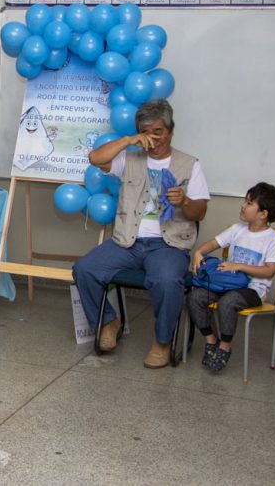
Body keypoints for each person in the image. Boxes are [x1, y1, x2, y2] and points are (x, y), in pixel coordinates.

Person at [73, 99, 210, 368]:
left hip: (168, 245)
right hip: (127, 242)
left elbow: (200, 213)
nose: (153, 139)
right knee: (84, 269)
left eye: (158, 131)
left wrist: (184, 202)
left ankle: (162, 341)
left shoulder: (190, 164)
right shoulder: (128, 158)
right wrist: (128, 140)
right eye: (147, 132)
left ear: (171, 131)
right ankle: (109, 322)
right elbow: (95, 158)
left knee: (167, 279)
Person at [186, 182, 275, 372]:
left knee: (228, 302)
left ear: (263, 214)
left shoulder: (273, 239)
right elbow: (212, 244)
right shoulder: (237, 229)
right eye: (245, 201)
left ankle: (225, 346)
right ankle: (211, 341)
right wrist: (199, 252)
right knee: (195, 296)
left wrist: (238, 265)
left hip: (254, 290)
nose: (243, 205)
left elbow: (269, 271)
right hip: (227, 285)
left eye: (249, 203)